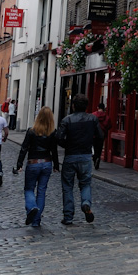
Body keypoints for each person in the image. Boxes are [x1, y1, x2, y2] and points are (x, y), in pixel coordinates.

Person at [55, 94, 103, 225]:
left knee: (67, 186)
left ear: (73, 105)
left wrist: (67, 145)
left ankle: (68, 216)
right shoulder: (92, 119)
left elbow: (59, 137)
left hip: (70, 156)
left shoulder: (67, 120)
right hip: (86, 156)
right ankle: (86, 203)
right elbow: (100, 136)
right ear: (86, 106)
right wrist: (93, 149)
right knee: (85, 183)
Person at [13, 106, 60, 227]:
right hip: (46, 162)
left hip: (33, 163)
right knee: (41, 191)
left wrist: (19, 164)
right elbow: (54, 150)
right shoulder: (52, 133)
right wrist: (56, 165)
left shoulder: (31, 131)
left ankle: (32, 207)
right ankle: (36, 220)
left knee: (29, 189)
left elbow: (24, 148)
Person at [91, 102, 110, 169]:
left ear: (98, 107)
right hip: (102, 135)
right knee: (99, 148)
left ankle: (94, 158)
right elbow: (109, 125)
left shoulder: (93, 115)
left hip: (93, 134)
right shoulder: (106, 117)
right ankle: (98, 159)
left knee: (94, 147)